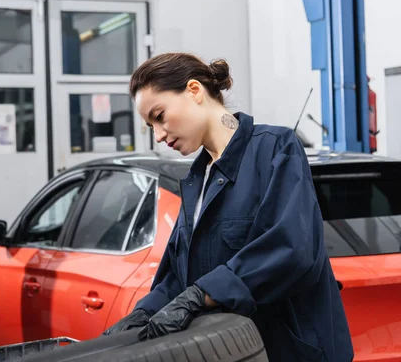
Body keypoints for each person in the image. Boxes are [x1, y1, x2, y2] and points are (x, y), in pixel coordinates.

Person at [103, 52, 354, 362]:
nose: (159, 135)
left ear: (194, 91)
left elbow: (292, 247)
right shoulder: (197, 179)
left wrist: (201, 296)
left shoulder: (275, 148)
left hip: (284, 352)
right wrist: (143, 313)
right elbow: (179, 278)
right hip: (231, 353)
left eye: (160, 115)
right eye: (150, 126)